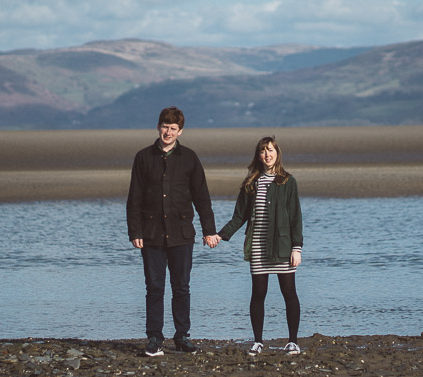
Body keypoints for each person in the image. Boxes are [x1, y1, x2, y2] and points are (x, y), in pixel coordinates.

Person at [126, 106, 219, 357]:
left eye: (173, 128)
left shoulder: (189, 158)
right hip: (151, 233)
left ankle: (182, 336)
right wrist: (135, 231)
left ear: (180, 131)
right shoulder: (143, 157)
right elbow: (134, 198)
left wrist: (209, 230)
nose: (168, 132)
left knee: (181, 287)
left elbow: (202, 197)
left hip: (181, 234)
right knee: (154, 287)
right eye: (165, 127)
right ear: (158, 127)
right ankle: (155, 337)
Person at [209, 135, 303, 356]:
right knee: (258, 293)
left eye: (271, 150)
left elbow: (295, 218)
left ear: (277, 153)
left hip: (283, 246)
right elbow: (239, 217)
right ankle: (258, 341)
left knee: (289, 292)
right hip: (258, 245)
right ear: (258, 155)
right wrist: (219, 236)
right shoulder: (251, 183)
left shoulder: (288, 181)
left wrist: (296, 248)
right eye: (263, 151)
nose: (267, 154)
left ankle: (293, 342)